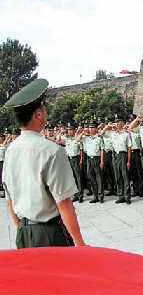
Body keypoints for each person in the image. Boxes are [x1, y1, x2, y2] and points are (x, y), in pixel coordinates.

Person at [1, 78, 86, 248]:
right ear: (38, 114)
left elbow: (9, 199)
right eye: (44, 109)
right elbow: (63, 202)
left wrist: (24, 229)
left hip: (23, 233)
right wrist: (80, 244)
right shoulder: (52, 150)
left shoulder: (10, 149)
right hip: (50, 234)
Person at [103, 116, 132, 204]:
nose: (118, 124)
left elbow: (129, 148)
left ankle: (127, 196)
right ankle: (120, 195)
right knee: (118, 176)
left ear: (123, 123)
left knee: (125, 177)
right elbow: (101, 133)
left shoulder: (126, 134)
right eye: (116, 122)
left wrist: (128, 161)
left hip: (123, 155)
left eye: (119, 122)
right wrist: (108, 126)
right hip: (115, 155)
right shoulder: (112, 133)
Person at [77, 120, 105, 203]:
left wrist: (102, 161)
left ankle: (101, 196)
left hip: (97, 159)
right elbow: (78, 140)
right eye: (90, 127)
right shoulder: (86, 138)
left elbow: (102, 150)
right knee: (91, 177)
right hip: (89, 159)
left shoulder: (99, 138)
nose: (90, 129)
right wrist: (82, 133)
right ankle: (95, 196)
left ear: (96, 129)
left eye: (92, 127)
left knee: (99, 178)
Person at [59, 123, 84, 202]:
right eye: (68, 130)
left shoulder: (77, 139)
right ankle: (75, 195)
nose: (69, 132)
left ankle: (80, 195)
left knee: (78, 177)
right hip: (69, 159)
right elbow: (58, 140)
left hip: (75, 159)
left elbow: (81, 150)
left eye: (71, 130)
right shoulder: (66, 139)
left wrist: (80, 160)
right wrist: (60, 132)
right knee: (72, 178)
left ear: (74, 131)